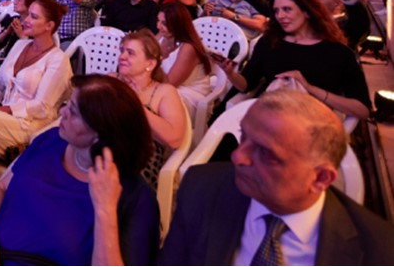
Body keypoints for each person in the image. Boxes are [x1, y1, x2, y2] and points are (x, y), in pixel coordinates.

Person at [158, 90, 394, 265]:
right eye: (244, 137)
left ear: (320, 178)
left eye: (265, 153)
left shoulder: (377, 249)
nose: (238, 157)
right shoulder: (202, 188)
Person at [0, 75, 159, 266]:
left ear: (102, 134)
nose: (62, 112)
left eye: (74, 112)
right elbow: (2, 187)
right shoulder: (51, 140)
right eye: (68, 104)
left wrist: (105, 211)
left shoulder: (135, 198)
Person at [0, 0, 72, 215]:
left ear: (49, 26)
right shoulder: (20, 45)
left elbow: (42, 107)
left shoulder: (58, 60)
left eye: (34, 17)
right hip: (3, 120)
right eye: (28, 14)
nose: (26, 20)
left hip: (29, 127)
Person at [222, 0, 371, 120]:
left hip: (312, 124)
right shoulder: (270, 43)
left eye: (287, 9)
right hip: (269, 117)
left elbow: (362, 110)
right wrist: (231, 74)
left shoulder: (338, 52)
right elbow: (246, 85)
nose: (280, 16)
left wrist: (309, 88)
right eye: (276, 11)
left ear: (306, 12)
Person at [115, 29, 188, 189]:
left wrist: (134, 103)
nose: (122, 56)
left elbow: (174, 139)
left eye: (130, 53)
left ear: (150, 64)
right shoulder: (111, 80)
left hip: (137, 164)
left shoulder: (164, 92)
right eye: (122, 51)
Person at [157, 2, 213, 119]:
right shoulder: (161, 36)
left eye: (164, 23)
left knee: (152, 100)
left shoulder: (188, 48)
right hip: (163, 88)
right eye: (158, 21)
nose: (158, 26)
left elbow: (169, 83)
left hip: (189, 96)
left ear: (178, 25)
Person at [0, 0, 42, 65]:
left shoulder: (36, 27)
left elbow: (36, 53)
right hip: (4, 61)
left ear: (30, 4)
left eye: (18, 0)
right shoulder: (15, 19)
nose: (14, 2)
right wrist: (6, 32)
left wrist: (21, 35)